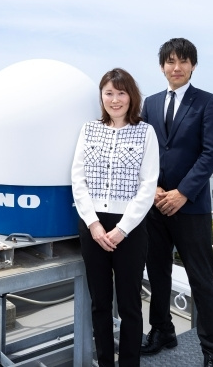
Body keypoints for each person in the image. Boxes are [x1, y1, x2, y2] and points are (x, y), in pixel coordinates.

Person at [140, 38, 213, 367]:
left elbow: (210, 153)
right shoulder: (150, 102)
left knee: (200, 279)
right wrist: (155, 190)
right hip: (156, 205)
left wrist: (182, 192)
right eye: (170, 61)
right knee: (156, 272)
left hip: (190, 207)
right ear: (162, 66)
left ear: (193, 66)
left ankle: (212, 351)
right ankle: (162, 330)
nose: (176, 67)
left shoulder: (207, 102)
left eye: (183, 61)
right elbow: (145, 152)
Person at [70, 68, 159, 367]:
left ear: (131, 96)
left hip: (130, 227)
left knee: (130, 304)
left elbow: (148, 186)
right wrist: (94, 224)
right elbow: (77, 178)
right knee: (100, 304)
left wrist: (121, 229)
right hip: (93, 225)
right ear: (102, 96)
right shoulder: (89, 129)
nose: (115, 99)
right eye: (109, 93)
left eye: (121, 93)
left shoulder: (145, 132)